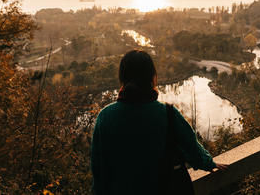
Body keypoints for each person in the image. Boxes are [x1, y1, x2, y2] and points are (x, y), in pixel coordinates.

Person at [91, 50, 227, 195]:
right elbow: (190, 146)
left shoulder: (105, 117)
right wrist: (208, 163)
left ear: (122, 78)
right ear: (151, 77)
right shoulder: (167, 114)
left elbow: (98, 168)